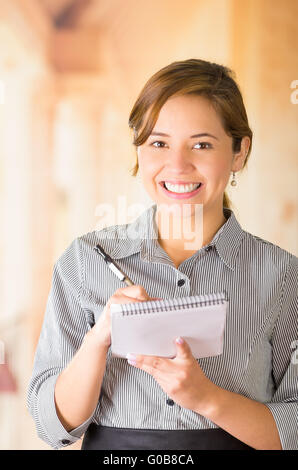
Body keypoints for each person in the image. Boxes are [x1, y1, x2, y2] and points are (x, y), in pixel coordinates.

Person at [27, 59, 298, 450]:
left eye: (201, 144)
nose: (177, 165)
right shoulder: (85, 260)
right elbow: (51, 427)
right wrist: (100, 336)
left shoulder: (284, 276)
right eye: (159, 143)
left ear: (240, 152)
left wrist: (207, 399)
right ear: (140, 149)